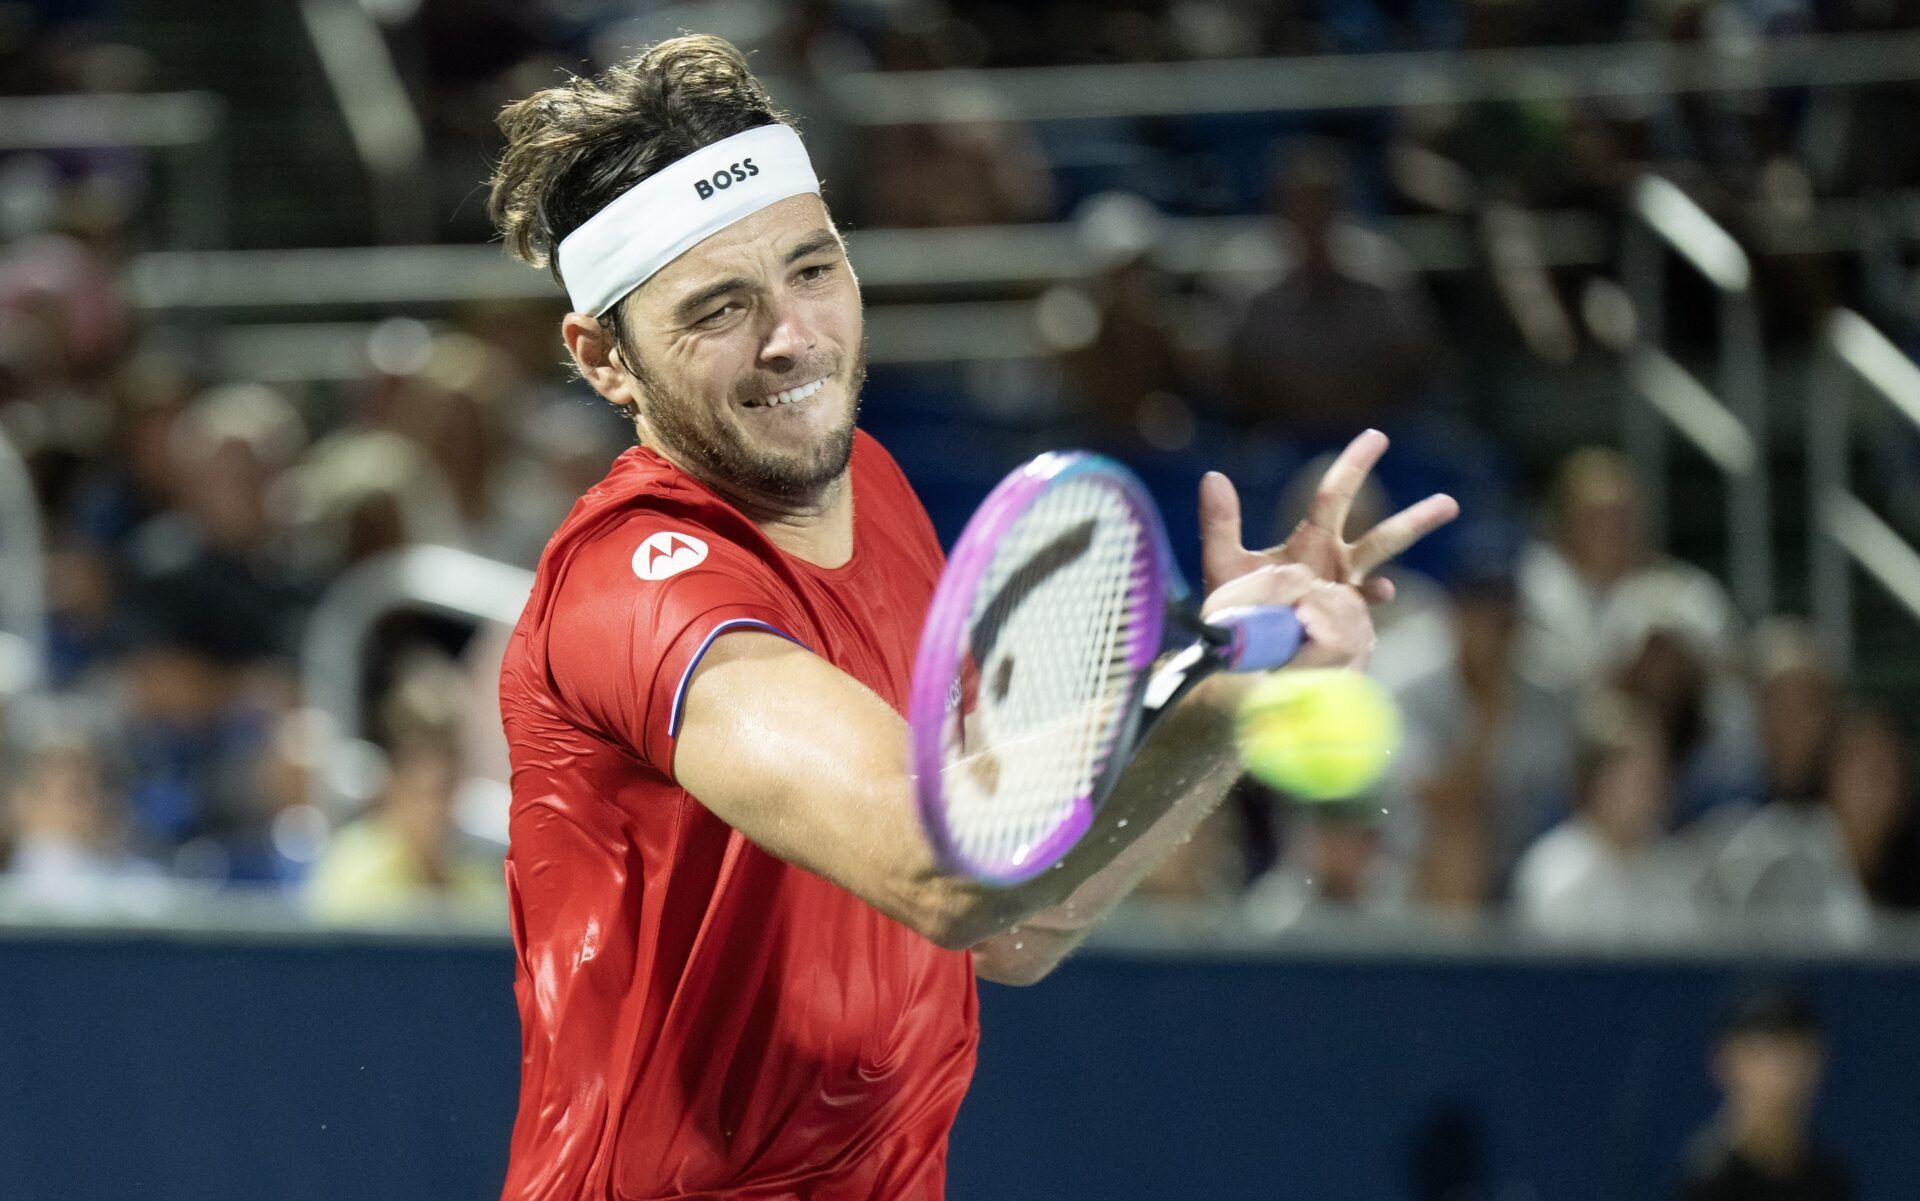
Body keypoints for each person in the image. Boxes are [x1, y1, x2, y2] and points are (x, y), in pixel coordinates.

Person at [485, 35, 1457, 1200]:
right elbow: (942, 864)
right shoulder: (631, 581)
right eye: (718, 309)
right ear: (603, 360)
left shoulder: (882, 495)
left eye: (813, 268)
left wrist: (1237, 699)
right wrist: (1188, 666)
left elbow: (1013, 921)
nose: (793, 335)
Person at [1677, 989, 1853, 1201]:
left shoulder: (1828, 1178)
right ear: (1726, 1062)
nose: (1782, 1073)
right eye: (1762, 1056)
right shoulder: (1709, 1181)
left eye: (1795, 1055)